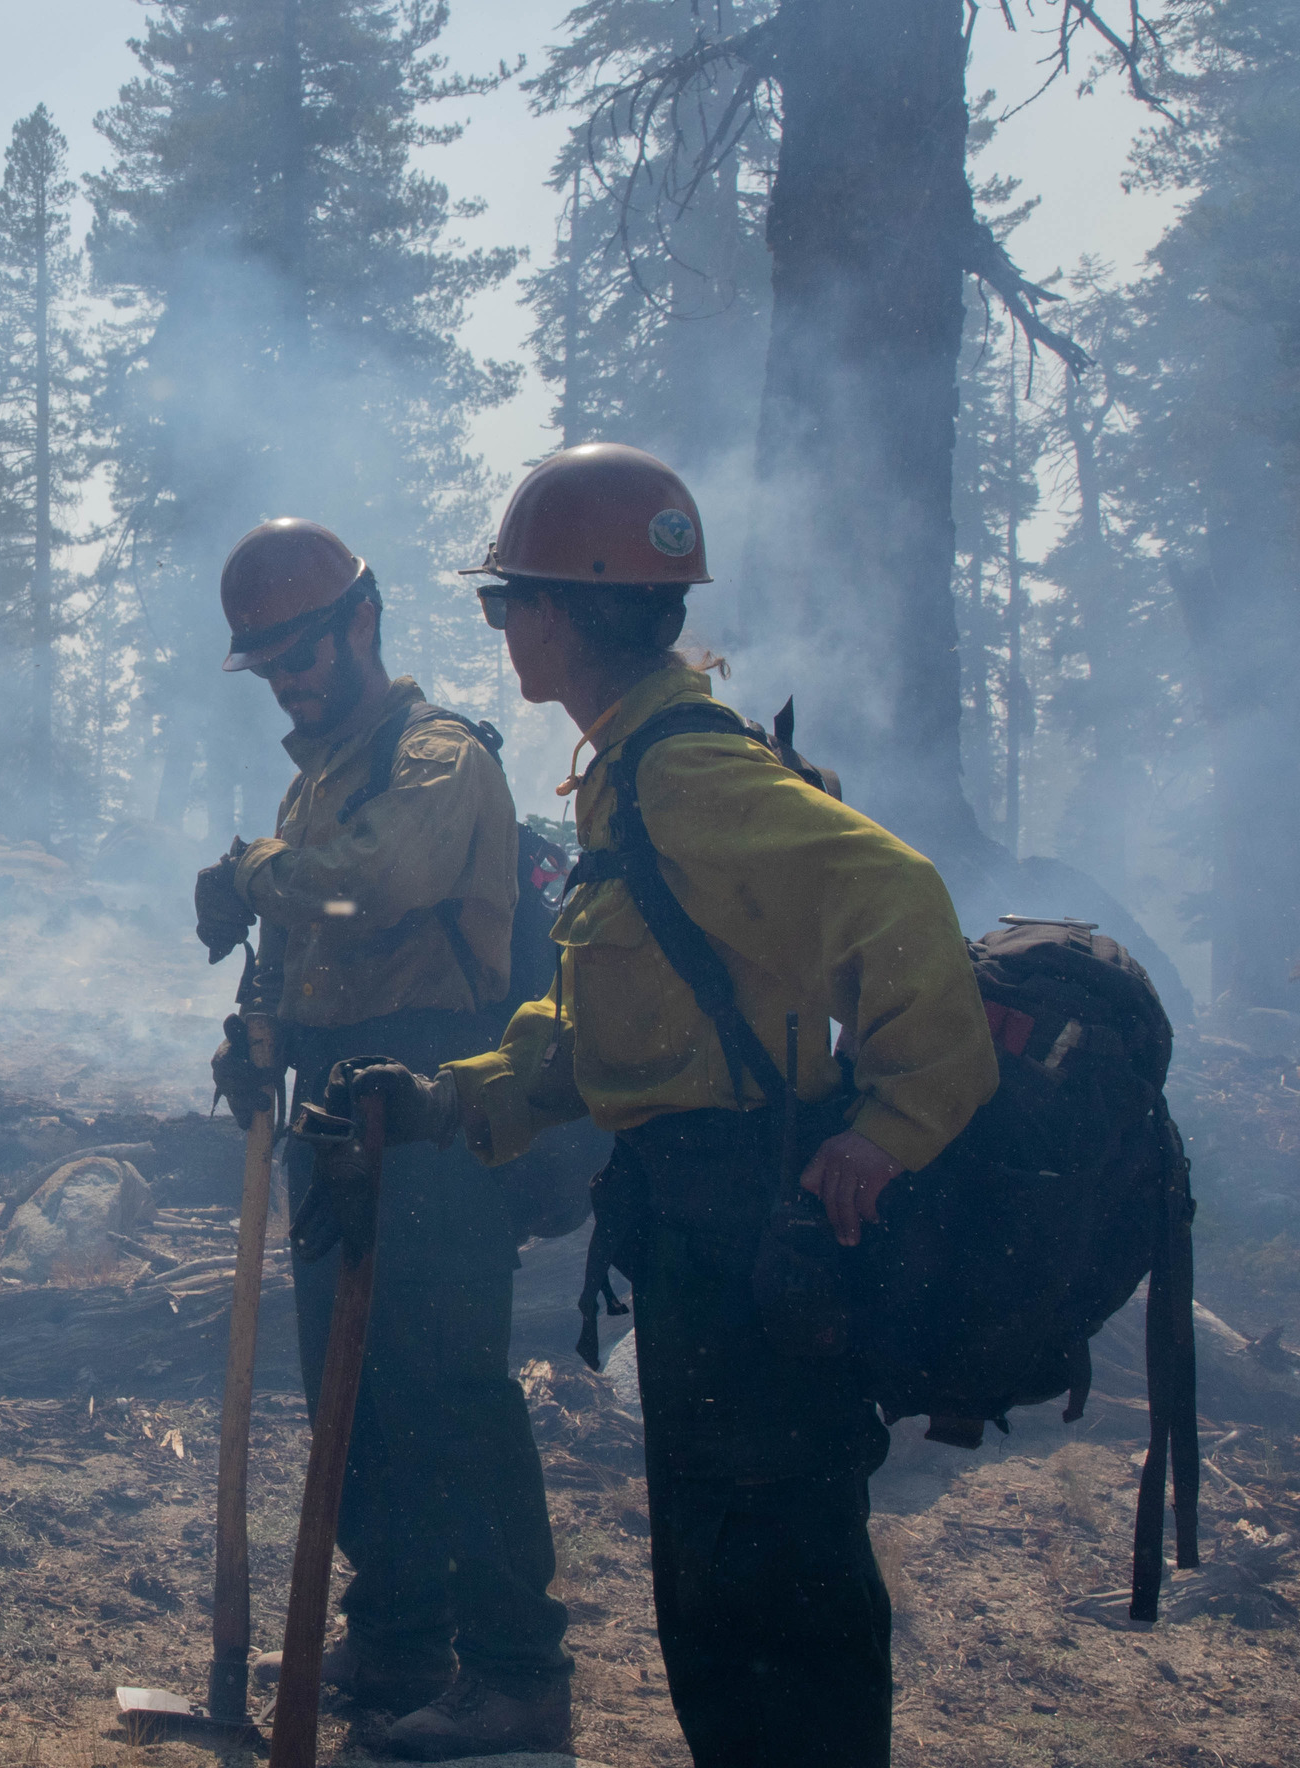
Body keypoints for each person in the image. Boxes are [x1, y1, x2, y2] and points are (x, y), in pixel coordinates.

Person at [359, 443, 1000, 1767]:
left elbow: (902, 900)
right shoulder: (629, 767)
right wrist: (453, 1099)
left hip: (755, 1237)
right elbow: (621, 1030)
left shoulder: (684, 776)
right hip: (703, 1240)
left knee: (771, 1592)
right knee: (720, 1589)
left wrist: (887, 1131)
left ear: (559, 613)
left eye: (503, 603)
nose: (497, 630)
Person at [196, 520, 573, 1759]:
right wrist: (255, 1034)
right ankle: (401, 1635)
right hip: (328, 1109)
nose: (291, 682)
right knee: (349, 1402)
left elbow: (372, 887)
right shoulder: (321, 775)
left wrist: (253, 870)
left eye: (302, 652)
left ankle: (518, 1673)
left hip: (435, 1109)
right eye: (270, 667)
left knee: (449, 1392)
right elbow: (310, 943)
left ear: (363, 621)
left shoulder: (436, 755)